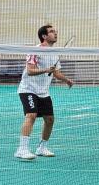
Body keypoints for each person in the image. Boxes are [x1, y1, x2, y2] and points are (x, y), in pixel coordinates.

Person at [15, 24, 73, 161]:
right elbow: (30, 71)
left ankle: (42, 148)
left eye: (55, 31)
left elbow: (56, 73)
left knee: (50, 119)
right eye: (52, 31)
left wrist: (67, 80)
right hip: (28, 89)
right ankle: (22, 149)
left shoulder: (54, 53)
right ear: (44, 36)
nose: (55, 33)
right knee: (31, 115)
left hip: (43, 91)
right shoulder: (35, 51)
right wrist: (46, 70)